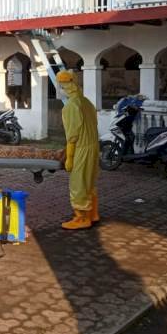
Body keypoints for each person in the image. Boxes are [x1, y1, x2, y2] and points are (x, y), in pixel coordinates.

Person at [57, 70, 100, 230]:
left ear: (65, 86)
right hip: (94, 146)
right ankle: (92, 214)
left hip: (81, 148)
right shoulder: (86, 102)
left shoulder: (71, 106)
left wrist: (69, 157)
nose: (60, 89)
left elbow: (72, 136)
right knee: (89, 182)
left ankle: (81, 218)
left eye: (60, 85)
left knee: (78, 183)